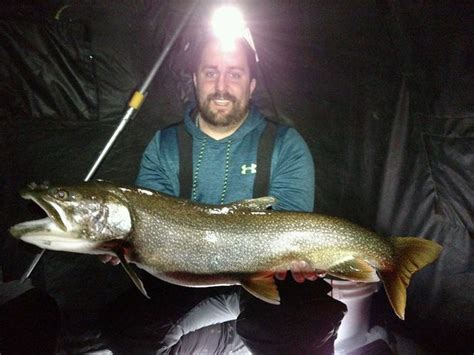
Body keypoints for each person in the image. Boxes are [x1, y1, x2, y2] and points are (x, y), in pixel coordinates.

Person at [101, 33, 346, 354]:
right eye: (210, 72)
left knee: (305, 324)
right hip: (184, 275)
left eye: (235, 73)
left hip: (266, 273)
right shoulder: (163, 146)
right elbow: (148, 222)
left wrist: (303, 260)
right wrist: (123, 244)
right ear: (195, 79)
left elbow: (293, 225)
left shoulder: (286, 145)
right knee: (122, 325)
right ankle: (222, 342)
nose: (221, 85)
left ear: (251, 84)